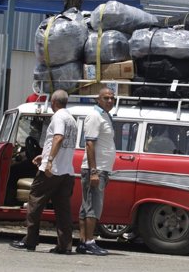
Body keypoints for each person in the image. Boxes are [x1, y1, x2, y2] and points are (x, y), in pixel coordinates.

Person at [11, 90, 78, 254]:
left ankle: (30, 240)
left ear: (54, 102)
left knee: (35, 201)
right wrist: (45, 155)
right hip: (66, 171)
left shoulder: (58, 117)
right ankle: (65, 245)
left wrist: (48, 161)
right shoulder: (72, 119)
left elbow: (58, 138)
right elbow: (63, 143)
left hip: (52, 170)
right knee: (63, 210)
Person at [76, 87, 117, 256]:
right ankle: (89, 242)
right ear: (98, 99)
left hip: (101, 168)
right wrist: (93, 171)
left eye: (112, 98)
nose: (109, 101)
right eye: (106, 98)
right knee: (93, 206)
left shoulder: (105, 115)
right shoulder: (94, 116)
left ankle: (83, 242)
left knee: (88, 206)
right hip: (95, 169)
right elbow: (90, 144)